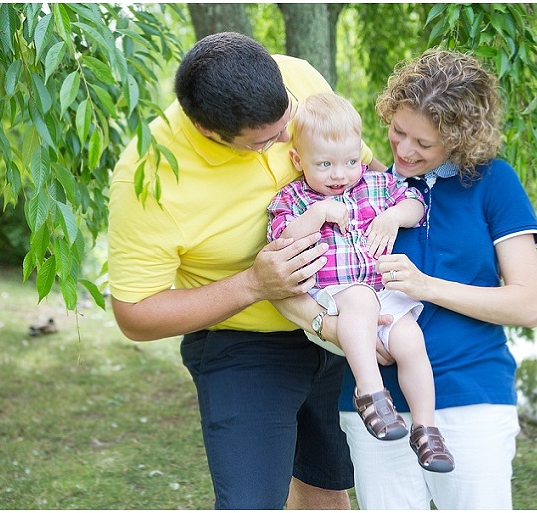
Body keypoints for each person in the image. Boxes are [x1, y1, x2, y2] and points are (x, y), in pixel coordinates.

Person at [107, 32, 382, 510]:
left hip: (340, 325)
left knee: (328, 487)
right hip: (244, 346)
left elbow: (364, 167)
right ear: (211, 133)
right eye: (267, 141)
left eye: (286, 122)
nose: (285, 140)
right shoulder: (147, 177)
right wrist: (254, 284)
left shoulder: (296, 77)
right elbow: (134, 313)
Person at [274, 49, 537, 509]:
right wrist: (333, 328)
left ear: (461, 139)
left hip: (471, 394)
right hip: (373, 404)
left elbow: (527, 305)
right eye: (398, 131)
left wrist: (424, 286)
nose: (402, 150)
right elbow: (285, 285)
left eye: (424, 143)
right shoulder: (359, 184)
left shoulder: (494, 183)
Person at [267, 92, 454, 472]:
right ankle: (370, 392)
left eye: (351, 161)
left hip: (380, 294)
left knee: (409, 339)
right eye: (325, 164)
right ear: (297, 160)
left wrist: (393, 218)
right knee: (359, 299)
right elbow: (281, 240)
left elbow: (416, 203)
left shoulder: (376, 185)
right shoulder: (294, 199)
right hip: (333, 295)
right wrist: (318, 213)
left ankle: (426, 429)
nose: (340, 174)